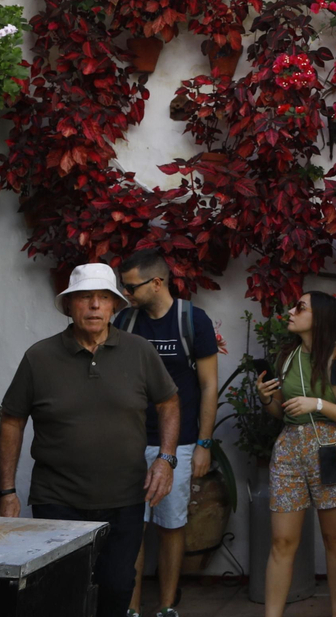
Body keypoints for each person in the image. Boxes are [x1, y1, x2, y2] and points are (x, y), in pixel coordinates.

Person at [0, 262, 180, 617]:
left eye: (103, 298)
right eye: (84, 298)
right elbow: (12, 421)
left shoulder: (139, 351)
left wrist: (165, 458)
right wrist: (6, 492)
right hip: (57, 500)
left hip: (125, 498)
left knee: (117, 587)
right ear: (69, 306)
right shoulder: (39, 357)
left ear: (114, 306)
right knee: (61, 591)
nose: (94, 306)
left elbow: (169, 401)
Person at [114, 251, 220, 617]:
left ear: (157, 283)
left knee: (172, 525)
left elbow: (208, 386)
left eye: (131, 286)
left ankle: (166, 606)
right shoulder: (126, 321)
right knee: (131, 527)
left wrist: (204, 444)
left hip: (179, 443)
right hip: (129, 443)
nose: (125, 293)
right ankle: (131, 608)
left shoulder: (192, 321)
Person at [256, 290, 336, 617]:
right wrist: (265, 399)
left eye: (299, 307)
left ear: (318, 318)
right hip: (289, 451)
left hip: (330, 450)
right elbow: (281, 412)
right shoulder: (286, 357)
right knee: (281, 543)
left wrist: (317, 404)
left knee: (335, 541)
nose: (290, 311)